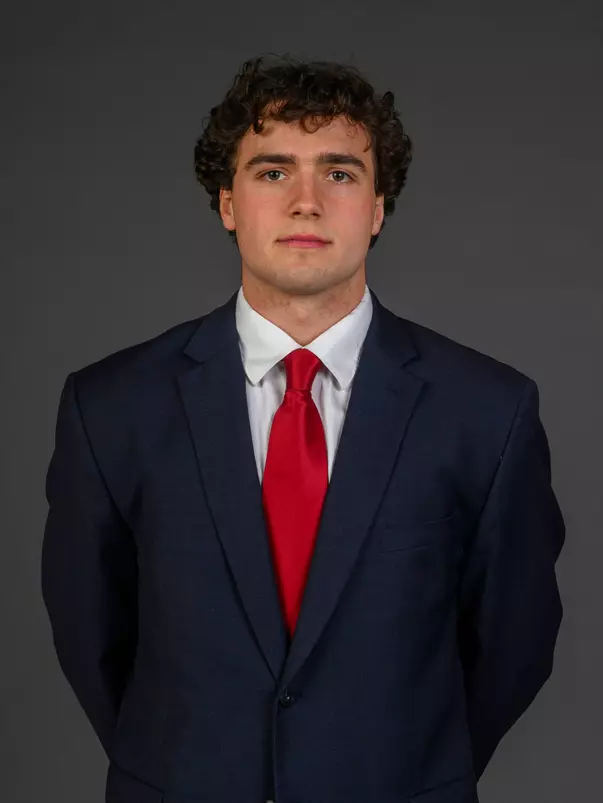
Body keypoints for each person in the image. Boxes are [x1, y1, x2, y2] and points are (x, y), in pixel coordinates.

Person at [41, 54, 565, 803]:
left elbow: (511, 644)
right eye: (273, 171)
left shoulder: (486, 410)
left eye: (341, 173)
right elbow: (92, 637)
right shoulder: (112, 406)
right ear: (227, 202)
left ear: (379, 206)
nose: (307, 202)